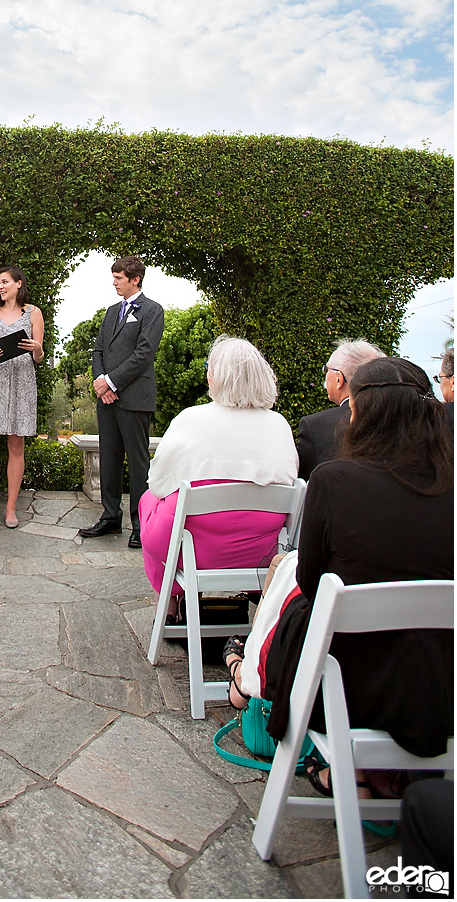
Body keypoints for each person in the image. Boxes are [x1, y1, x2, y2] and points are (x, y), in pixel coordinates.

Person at [224, 356, 453, 782]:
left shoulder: (334, 481)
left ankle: (244, 677)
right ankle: (371, 778)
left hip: (345, 689)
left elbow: (311, 584)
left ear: (364, 412)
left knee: (294, 594)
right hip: (439, 690)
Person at [138, 335, 298, 610]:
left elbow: (158, 482)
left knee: (148, 501)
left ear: (215, 377)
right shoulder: (279, 425)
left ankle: (170, 605)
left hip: (193, 550)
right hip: (261, 553)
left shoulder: (191, 419)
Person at [79, 257, 164, 549]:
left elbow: (144, 354)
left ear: (135, 279)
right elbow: (99, 349)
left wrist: (111, 382)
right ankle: (110, 516)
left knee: (138, 463)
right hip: (108, 399)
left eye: (118, 278)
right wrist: (101, 383)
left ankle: (141, 524)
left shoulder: (153, 311)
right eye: (113, 277)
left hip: (135, 399)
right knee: (110, 458)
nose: (114, 282)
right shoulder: (112, 311)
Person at [0, 266, 45, 529]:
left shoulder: (34, 313)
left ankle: (11, 508)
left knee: (16, 446)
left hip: (22, 381)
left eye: (5, 282)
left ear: (18, 284)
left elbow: (39, 357)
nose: (1, 287)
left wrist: (38, 348)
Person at [295, 339, 384, 479]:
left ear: (339, 379)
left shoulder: (315, 426)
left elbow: (301, 482)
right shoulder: (398, 417)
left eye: (327, 369)